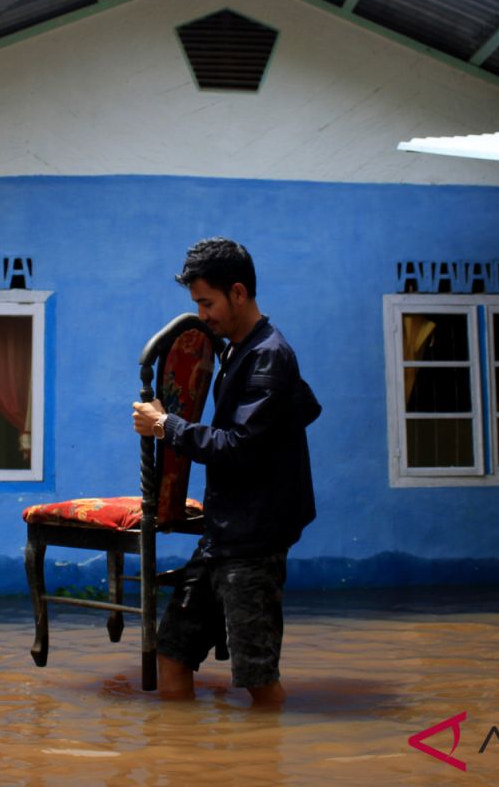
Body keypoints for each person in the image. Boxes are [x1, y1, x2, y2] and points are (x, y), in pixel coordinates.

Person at [132, 237, 321, 707]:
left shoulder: (268, 356)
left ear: (239, 293)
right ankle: (184, 767)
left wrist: (166, 426)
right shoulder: (239, 350)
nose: (203, 314)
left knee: (257, 680)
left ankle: (263, 768)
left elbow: (239, 448)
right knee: (171, 655)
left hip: (253, 545)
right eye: (197, 303)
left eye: (207, 302)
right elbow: (306, 407)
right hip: (222, 536)